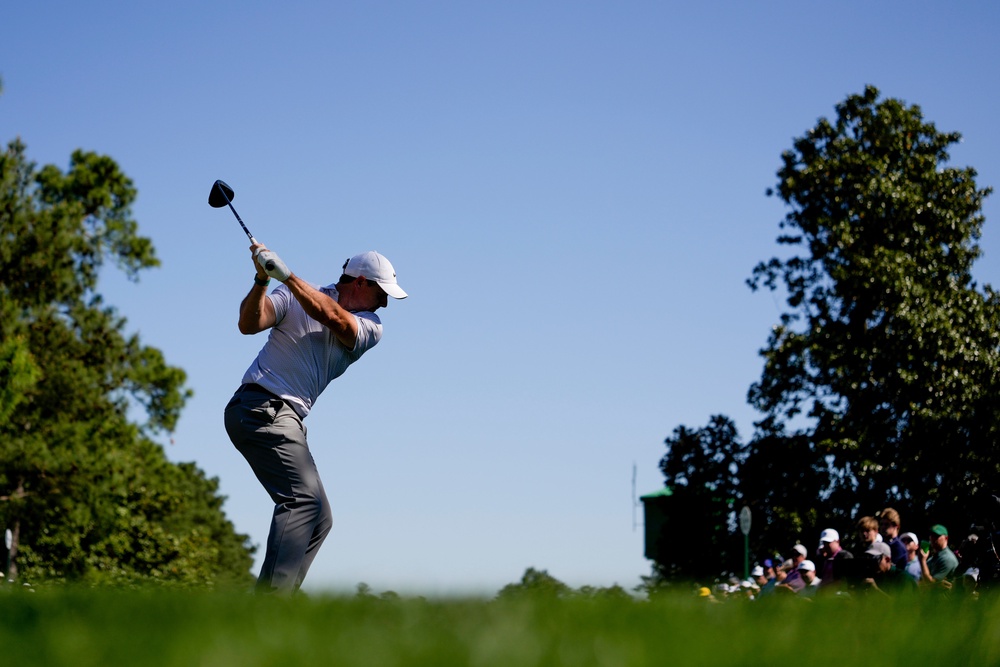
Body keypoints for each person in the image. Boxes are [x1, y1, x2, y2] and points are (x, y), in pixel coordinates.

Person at [224, 245, 408, 593]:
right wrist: (262, 279)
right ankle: (269, 608)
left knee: (320, 518)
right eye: (381, 294)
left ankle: (282, 599)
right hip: (261, 407)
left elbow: (333, 318)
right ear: (360, 282)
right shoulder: (293, 295)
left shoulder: (371, 326)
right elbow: (249, 324)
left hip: (281, 417)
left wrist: (288, 277)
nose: (384, 304)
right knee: (303, 501)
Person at [917, 524, 959, 590]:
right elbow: (921, 582)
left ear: (946, 538)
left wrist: (922, 561)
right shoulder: (932, 558)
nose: (932, 538)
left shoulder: (948, 558)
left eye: (936, 536)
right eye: (931, 535)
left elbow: (931, 585)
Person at [817, 528, 853, 593]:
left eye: (828, 542)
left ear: (837, 541)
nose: (826, 545)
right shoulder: (827, 559)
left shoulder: (844, 556)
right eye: (824, 543)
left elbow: (845, 582)